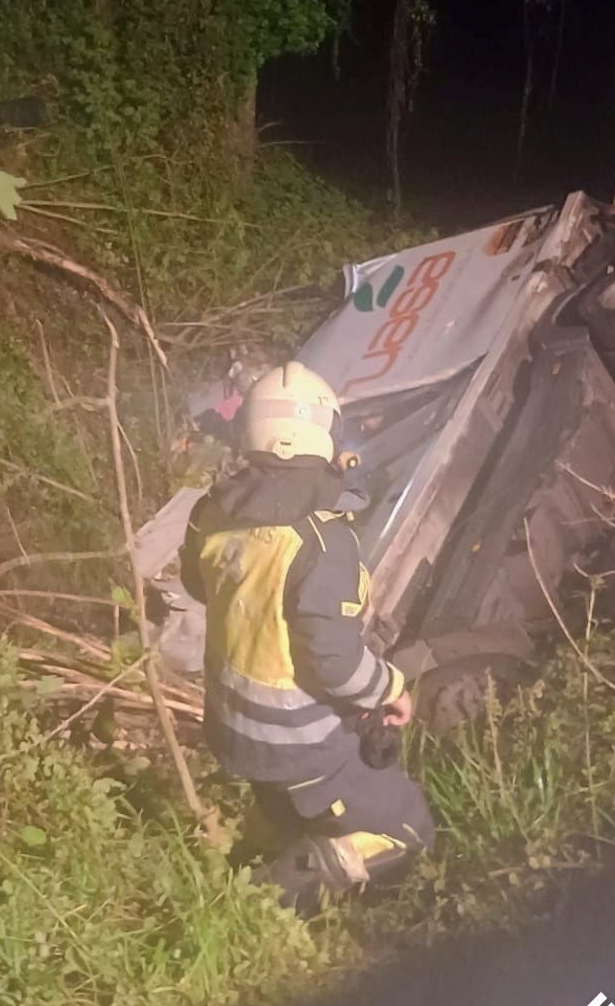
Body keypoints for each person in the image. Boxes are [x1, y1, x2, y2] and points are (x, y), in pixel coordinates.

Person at [179, 360, 433, 910]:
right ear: (324, 435)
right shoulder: (322, 544)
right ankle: (272, 899)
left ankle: (276, 832)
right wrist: (390, 687)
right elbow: (335, 662)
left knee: (285, 800)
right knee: (410, 830)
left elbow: (199, 585)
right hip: (301, 746)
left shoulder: (212, 511)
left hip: (230, 729)